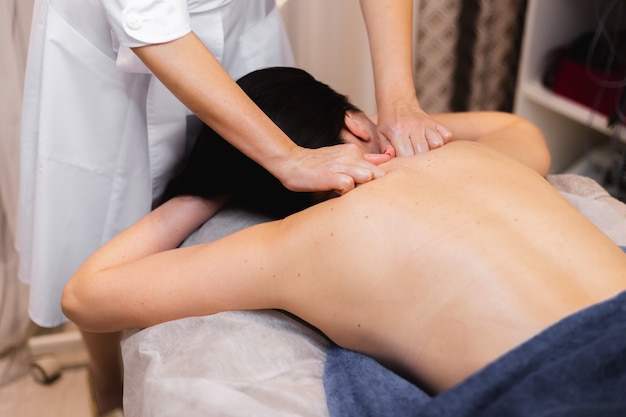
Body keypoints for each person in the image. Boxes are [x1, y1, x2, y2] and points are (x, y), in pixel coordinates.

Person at [61, 67, 626, 413]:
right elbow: (519, 128)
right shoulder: (470, 155)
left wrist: (208, 189)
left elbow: (86, 294)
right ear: (354, 125)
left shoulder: (296, 245)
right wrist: (382, 124)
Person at [18, 1, 449, 415]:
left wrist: (399, 99)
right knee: (99, 216)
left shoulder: (286, 249)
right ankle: (107, 383)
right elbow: (146, 18)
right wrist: (278, 159)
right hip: (111, 53)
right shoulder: (476, 147)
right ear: (354, 124)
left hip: (239, 25)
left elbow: (86, 292)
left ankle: (107, 386)